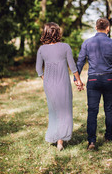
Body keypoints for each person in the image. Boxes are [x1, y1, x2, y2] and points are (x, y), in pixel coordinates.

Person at [75, 18, 112, 150]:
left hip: (93, 80)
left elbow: (80, 61)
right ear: (107, 28)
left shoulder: (87, 43)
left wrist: (76, 79)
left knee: (92, 111)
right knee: (109, 110)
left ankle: (91, 141)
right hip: (109, 80)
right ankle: (109, 136)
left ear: (96, 28)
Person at [36, 22, 83, 151]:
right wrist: (78, 80)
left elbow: (38, 69)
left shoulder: (41, 49)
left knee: (54, 110)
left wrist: (45, 79)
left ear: (45, 33)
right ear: (58, 33)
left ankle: (56, 137)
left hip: (49, 85)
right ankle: (60, 142)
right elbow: (73, 67)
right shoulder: (65, 47)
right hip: (63, 83)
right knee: (65, 110)